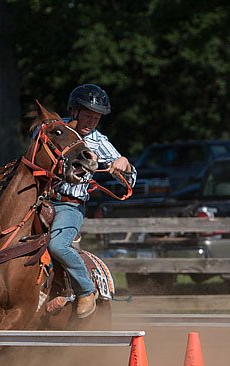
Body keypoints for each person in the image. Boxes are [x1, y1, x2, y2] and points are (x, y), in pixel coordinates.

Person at [48, 83, 137, 318]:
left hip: (70, 205)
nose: (91, 122)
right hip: (41, 200)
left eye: (96, 118)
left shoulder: (99, 141)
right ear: (74, 111)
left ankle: (86, 290)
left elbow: (131, 177)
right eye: (88, 115)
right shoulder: (54, 132)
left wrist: (123, 164)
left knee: (57, 245)